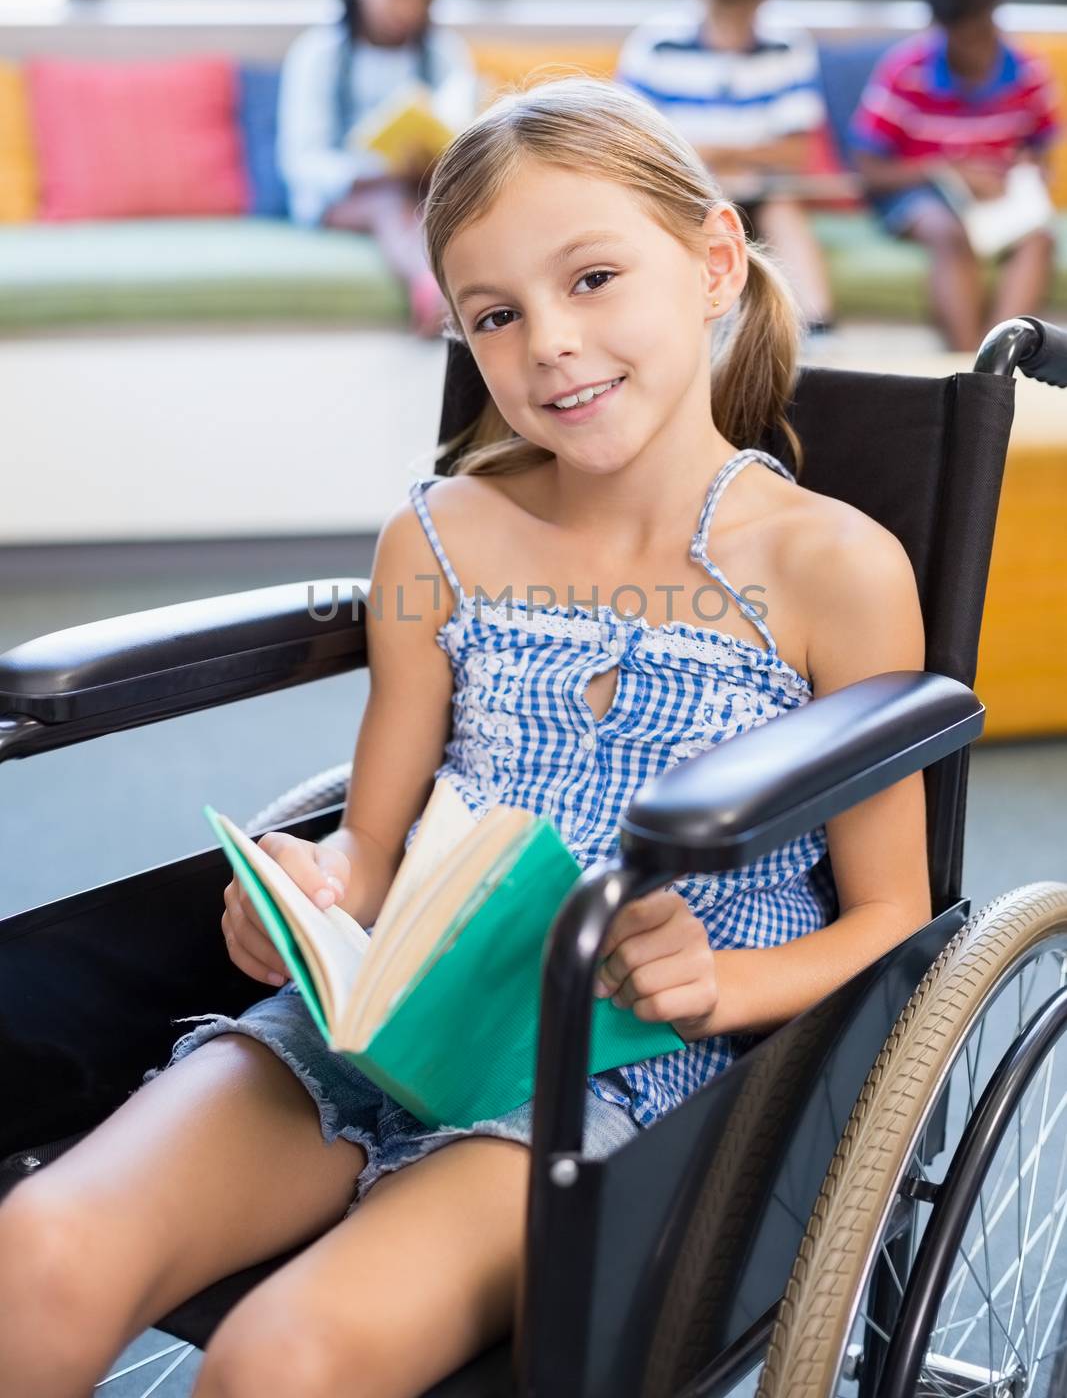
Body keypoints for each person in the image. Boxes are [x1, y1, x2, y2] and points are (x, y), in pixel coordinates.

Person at [0, 78, 932, 1398]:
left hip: (632, 1064)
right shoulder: (438, 539)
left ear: (712, 261)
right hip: (395, 1018)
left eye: (592, 278)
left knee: (284, 1360)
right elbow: (371, 845)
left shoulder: (831, 566)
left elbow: (893, 913)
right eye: (495, 315)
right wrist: (311, 900)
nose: (548, 342)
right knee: (37, 1246)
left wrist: (711, 986)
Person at [617, 0, 835, 336]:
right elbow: (633, 145)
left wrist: (708, 151)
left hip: (763, 192)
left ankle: (818, 330)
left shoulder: (789, 45)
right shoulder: (655, 45)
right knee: (688, 217)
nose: (732, 28)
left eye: (743, 13)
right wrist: (739, 156)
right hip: (686, 189)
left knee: (783, 210)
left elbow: (795, 152)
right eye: (722, 12)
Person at [850, 0, 1060, 354]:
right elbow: (869, 169)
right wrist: (944, 171)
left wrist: (1022, 173)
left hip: (998, 201)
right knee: (947, 232)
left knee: (1038, 241)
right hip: (922, 196)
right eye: (961, 36)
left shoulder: (1028, 71)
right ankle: (971, 374)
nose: (973, 49)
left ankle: (996, 367)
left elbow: (1040, 153)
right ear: (939, 27)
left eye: (980, 32)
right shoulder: (905, 71)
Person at [277, 0, 479, 337]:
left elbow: (463, 132)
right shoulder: (320, 54)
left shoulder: (443, 54)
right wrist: (375, 169)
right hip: (341, 195)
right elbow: (301, 162)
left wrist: (437, 159)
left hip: (422, 183)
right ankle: (433, 292)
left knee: (454, 203)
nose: (410, 7)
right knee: (389, 201)